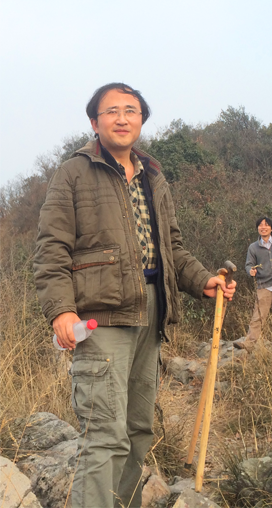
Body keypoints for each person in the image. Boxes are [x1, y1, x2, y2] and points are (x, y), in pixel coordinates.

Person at [33, 82, 236, 508]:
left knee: (138, 429)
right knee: (104, 435)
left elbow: (172, 248)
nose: (122, 118)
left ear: (141, 120)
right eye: (112, 111)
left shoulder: (154, 176)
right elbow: (52, 247)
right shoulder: (73, 172)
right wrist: (61, 311)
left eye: (131, 110)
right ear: (94, 122)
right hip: (101, 319)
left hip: (152, 311)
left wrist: (202, 280)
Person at [234, 217, 272, 351]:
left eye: (266, 225)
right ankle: (249, 343)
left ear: (271, 228)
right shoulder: (253, 247)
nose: (263, 227)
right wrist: (251, 271)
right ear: (257, 229)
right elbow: (248, 265)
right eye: (260, 225)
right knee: (258, 316)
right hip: (264, 285)